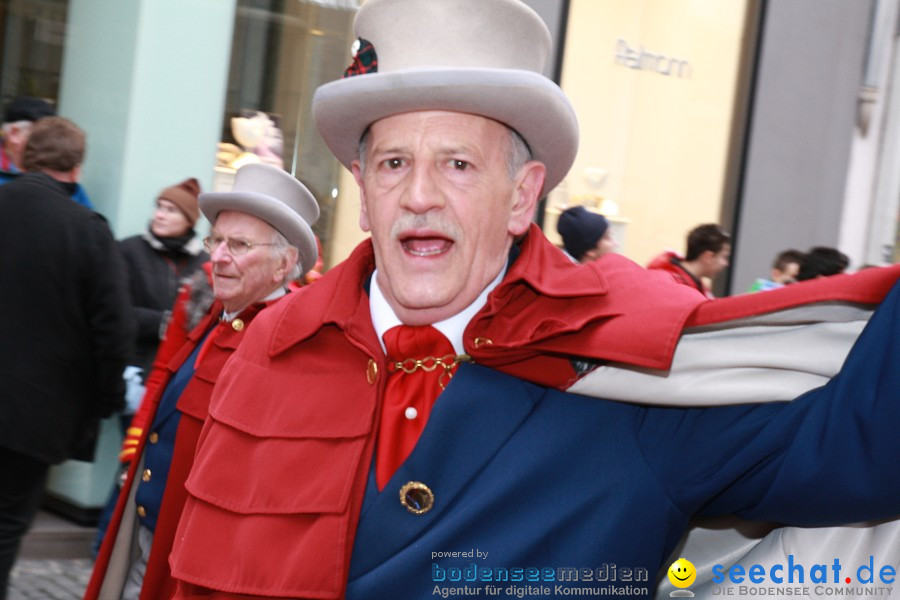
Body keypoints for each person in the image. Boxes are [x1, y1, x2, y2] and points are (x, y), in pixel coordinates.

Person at [167, 1, 900, 598]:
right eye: (394, 163)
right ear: (363, 194)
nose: (418, 196)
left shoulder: (632, 365)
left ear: (522, 196)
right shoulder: (267, 345)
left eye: (457, 164)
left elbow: (862, 450)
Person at [83, 162, 320, 600]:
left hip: (195, 558)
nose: (218, 257)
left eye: (240, 244)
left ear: (284, 263)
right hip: (148, 527)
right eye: (217, 241)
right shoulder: (215, 315)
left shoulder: (291, 346)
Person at [0, 116, 133, 600]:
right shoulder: (87, 230)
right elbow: (112, 330)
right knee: (7, 522)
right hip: (35, 416)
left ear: (23, 157)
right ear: (76, 168)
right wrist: (104, 400)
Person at [91, 177, 209, 556]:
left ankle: (127, 546)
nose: (160, 214)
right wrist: (166, 323)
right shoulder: (128, 251)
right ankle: (106, 544)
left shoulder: (204, 263)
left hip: (180, 380)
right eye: (159, 206)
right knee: (136, 459)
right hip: (137, 372)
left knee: (150, 465)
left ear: (190, 220)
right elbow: (116, 311)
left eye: (171, 209)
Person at [0, 96, 93, 208]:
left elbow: (84, 216)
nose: (49, 143)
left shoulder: (60, 172)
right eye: (40, 136)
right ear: (15, 134)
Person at [647, 223, 731, 298]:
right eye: (724, 257)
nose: (726, 264)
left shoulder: (696, 285)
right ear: (708, 256)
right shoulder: (671, 286)